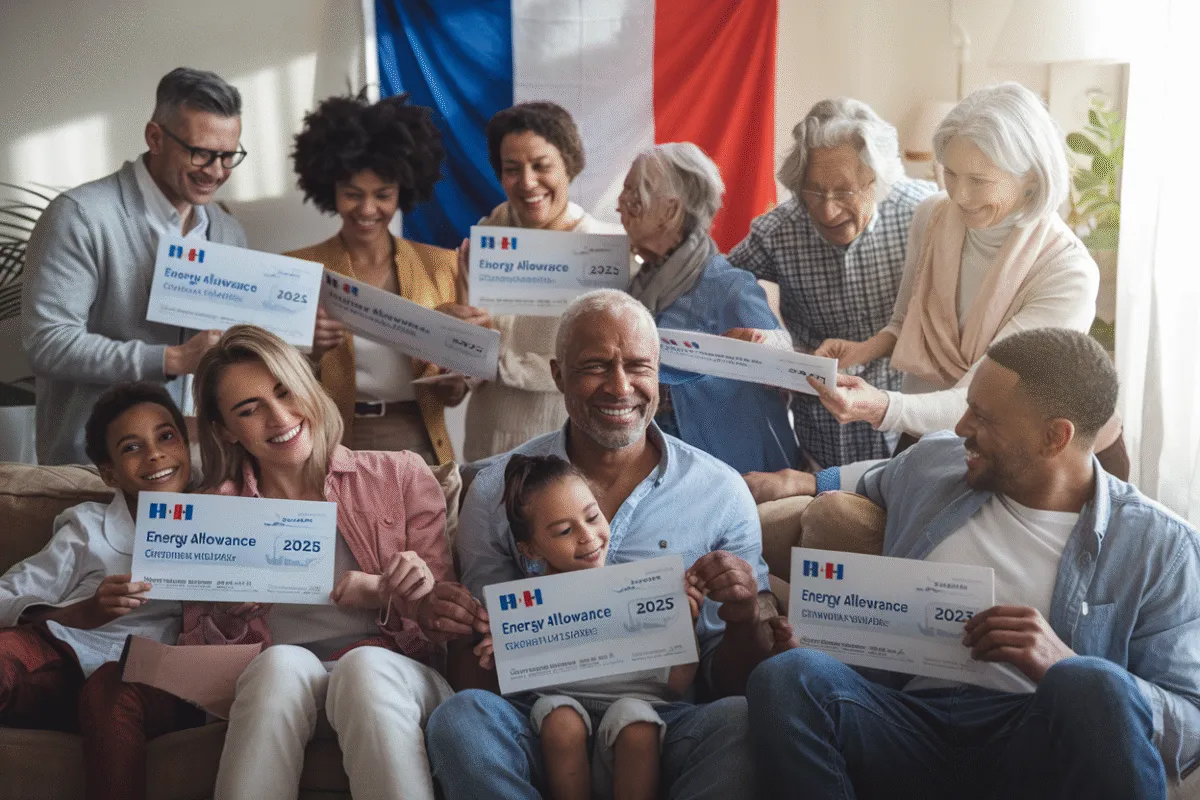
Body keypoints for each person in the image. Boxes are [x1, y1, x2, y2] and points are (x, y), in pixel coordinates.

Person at [746, 328, 1200, 799]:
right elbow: (869, 479)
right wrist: (797, 482)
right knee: (789, 677)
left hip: (1036, 741)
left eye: (982, 418)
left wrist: (1062, 663)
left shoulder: (1161, 548)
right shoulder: (937, 464)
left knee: (1093, 683)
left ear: (1054, 437)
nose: (962, 427)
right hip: (905, 722)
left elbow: (1190, 725)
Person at [422, 289, 794, 800]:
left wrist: (743, 613)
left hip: (665, 723)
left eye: (638, 366)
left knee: (740, 721)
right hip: (536, 720)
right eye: (596, 366)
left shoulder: (721, 493)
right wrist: (460, 627)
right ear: (558, 375)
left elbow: (726, 682)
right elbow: (478, 676)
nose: (620, 387)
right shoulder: (496, 490)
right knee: (461, 719)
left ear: (658, 373)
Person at [184, 325, 453, 800]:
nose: (279, 417)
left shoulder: (398, 474)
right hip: (281, 687)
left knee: (363, 666)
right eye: (248, 410)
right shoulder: (212, 513)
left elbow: (445, 625)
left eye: (285, 391)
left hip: (393, 679)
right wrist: (231, 609)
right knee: (279, 664)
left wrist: (392, 592)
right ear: (225, 430)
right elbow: (197, 656)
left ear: (308, 386)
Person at [807, 83, 1099, 447]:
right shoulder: (932, 216)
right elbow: (906, 320)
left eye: (978, 180)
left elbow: (990, 397)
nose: (959, 195)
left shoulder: (1067, 273)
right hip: (922, 433)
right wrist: (866, 348)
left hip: (1004, 446)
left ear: (1032, 179)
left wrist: (880, 406)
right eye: (951, 173)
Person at [22, 67, 249, 465]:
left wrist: (298, 334)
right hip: (96, 467)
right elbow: (48, 343)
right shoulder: (80, 216)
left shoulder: (228, 231)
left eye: (228, 156)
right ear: (155, 138)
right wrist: (172, 360)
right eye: (201, 153)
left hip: (200, 465)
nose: (216, 171)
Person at [0, 382, 204, 800]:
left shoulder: (227, 514)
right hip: (62, 661)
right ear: (109, 473)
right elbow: (5, 595)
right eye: (132, 447)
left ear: (186, 445)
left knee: (112, 685)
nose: (155, 454)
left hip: (147, 679)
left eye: (167, 437)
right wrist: (81, 613)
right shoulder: (88, 527)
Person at [468, 454, 704, 800]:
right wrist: (496, 656)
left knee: (637, 721)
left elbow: (678, 684)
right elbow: (500, 695)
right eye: (565, 531)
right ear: (530, 549)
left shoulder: (644, 590)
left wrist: (686, 627)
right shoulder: (517, 609)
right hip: (552, 729)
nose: (587, 536)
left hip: (641, 718)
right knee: (560, 718)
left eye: (593, 517)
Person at [727, 98, 937, 467]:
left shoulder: (925, 217)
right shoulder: (779, 231)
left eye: (844, 192)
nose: (827, 210)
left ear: (878, 179)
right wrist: (761, 333)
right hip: (818, 434)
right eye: (813, 191)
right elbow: (721, 283)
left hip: (908, 431)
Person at [288, 91, 472, 464]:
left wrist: (455, 383)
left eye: (383, 195)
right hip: (331, 442)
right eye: (352, 194)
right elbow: (273, 380)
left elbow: (452, 393)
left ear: (403, 190)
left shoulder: (442, 267)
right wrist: (310, 352)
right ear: (330, 190)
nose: (368, 209)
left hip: (421, 443)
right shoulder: (297, 270)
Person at [454, 101, 623, 462]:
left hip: (569, 445)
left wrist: (499, 362)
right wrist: (457, 334)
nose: (528, 182)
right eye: (512, 169)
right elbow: (467, 361)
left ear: (569, 165)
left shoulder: (603, 251)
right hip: (488, 441)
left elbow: (603, 365)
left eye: (542, 166)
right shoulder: (484, 241)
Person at [618, 143, 799, 474]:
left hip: (726, 466)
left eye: (634, 196)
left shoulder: (728, 287)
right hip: (659, 460)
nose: (620, 205)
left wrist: (765, 344)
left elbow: (784, 365)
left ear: (671, 211)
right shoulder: (636, 282)